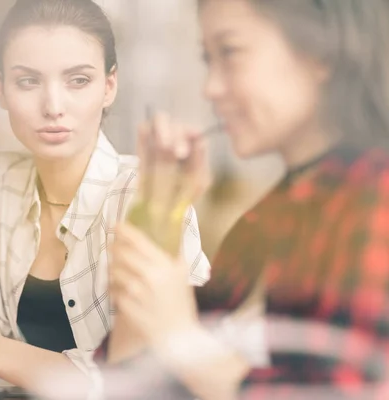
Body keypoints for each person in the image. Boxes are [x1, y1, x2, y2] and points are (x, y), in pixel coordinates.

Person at [0, 0, 211, 397]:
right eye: (28, 81)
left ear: (109, 86)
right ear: (0, 90)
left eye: (78, 80)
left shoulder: (145, 199)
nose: (53, 106)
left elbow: (151, 379)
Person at [100, 0, 389, 399]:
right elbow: (130, 370)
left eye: (231, 53)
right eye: (208, 60)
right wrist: (160, 205)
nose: (211, 87)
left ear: (321, 55)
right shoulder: (273, 216)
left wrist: (183, 341)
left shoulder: (375, 199)